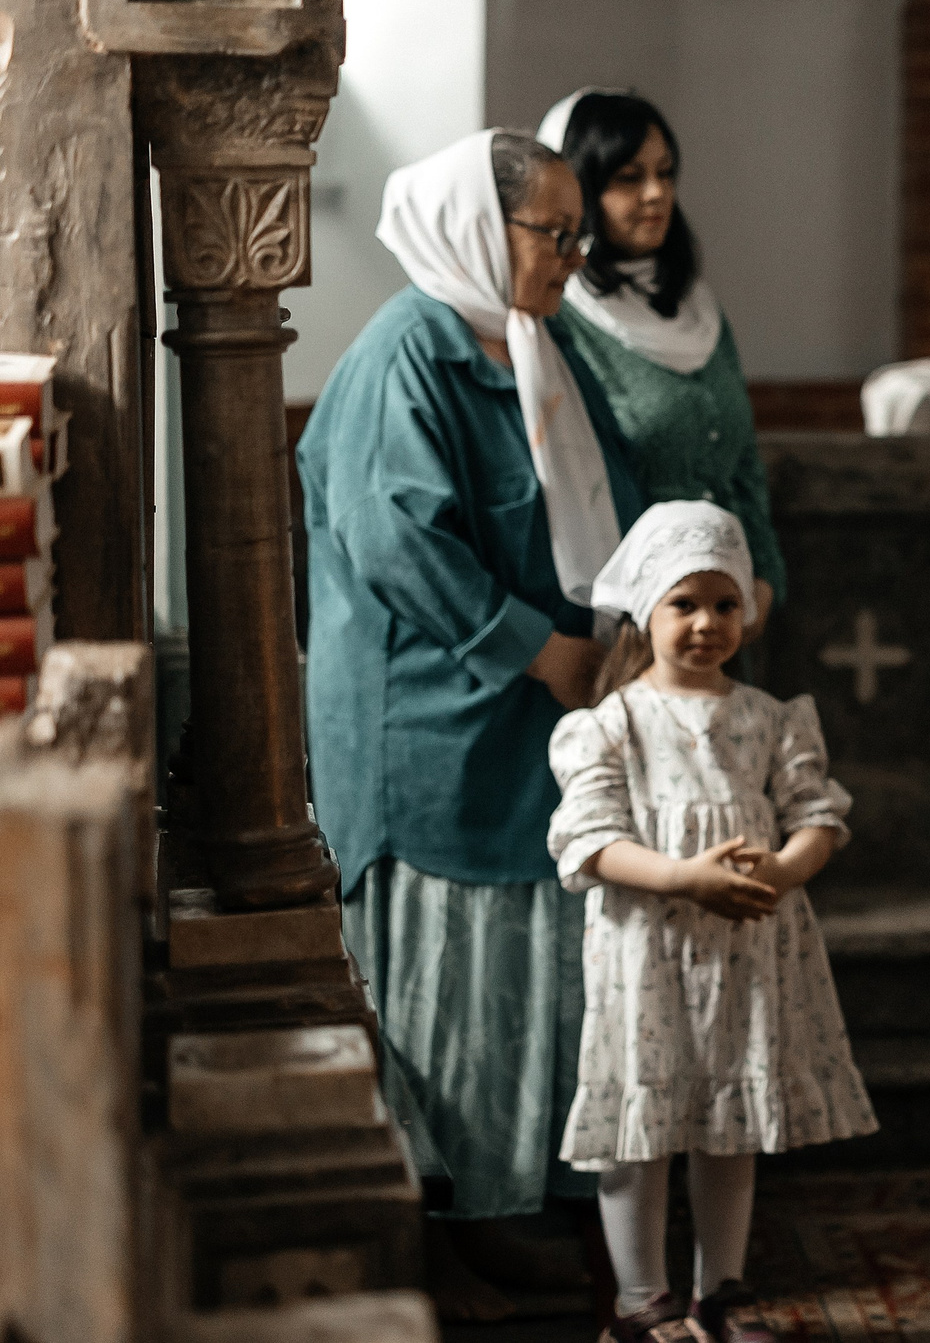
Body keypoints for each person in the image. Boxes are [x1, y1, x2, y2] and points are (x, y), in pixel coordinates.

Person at [300, 128, 644, 1322]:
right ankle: (456, 1216)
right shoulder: (411, 352)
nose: (570, 252)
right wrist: (540, 649)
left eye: (571, 233)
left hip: (533, 733)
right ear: (473, 228)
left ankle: (519, 1193)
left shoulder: (541, 348)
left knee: (526, 977)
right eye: (552, 231)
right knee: (452, 986)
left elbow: (610, 499)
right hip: (434, 733)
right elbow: (399, 540)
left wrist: (637, 615)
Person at [548, 500, 875, 1343]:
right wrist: (685, 877)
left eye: (724, 604)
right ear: (646, 610)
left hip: (747, 949)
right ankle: (640, 1301)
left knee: (730, 1117)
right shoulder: (610, 724)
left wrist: (785, 867)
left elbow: (817, 814)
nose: (706, 623)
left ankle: (720, 1289)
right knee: (641, 1118)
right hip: (648, 948)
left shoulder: (770, 716)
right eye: (683, 603)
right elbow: (591, 840)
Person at [539, 88, 785, 631]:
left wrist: (763, 580)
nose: (656, 193)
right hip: (628, 614)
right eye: (629, 177)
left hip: (720, 611)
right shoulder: (557, 316)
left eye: (666, 172)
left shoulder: (697, 308)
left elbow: (741, 462)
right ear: (581, 188)